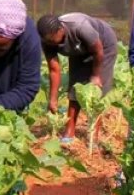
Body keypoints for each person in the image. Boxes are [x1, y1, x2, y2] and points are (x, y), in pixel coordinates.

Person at [38, 13, 118, 142]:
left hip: (104, 46)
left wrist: (96, 76)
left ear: (61, 30)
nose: (50, 43)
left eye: (53, 40)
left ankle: (93, 135)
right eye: (47, 41)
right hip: (78, 51)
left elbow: (98, 51)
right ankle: (70, 131)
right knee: (75, 86)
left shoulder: (80, 27)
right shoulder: (47, 41)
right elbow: (54, 69)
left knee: (97, 92)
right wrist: (53, 99)